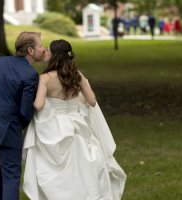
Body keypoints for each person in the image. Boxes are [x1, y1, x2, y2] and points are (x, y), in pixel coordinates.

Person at [23, 39, 126, 200]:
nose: (45, 52)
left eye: (48, 50)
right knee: (81, 164)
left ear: (55, 55)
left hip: (53, 127)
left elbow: (39, 105)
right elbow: (92, 101)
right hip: (77, 124)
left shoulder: (45, 78)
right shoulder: (76, 75)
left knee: (56, 167)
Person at [0, 31, 45, 200]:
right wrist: (20, 124)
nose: (43, 49)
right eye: (40, 46)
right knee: (11, 176)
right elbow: (25, 111)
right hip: (9, 130)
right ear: (30, 50)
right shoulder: (30, 75)